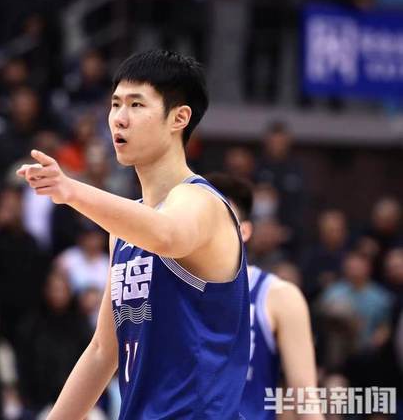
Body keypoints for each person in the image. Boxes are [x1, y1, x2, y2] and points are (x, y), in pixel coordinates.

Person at [17, 50, 249, 419]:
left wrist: (71, 190)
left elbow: (167, 235)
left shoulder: (201, 201)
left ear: (179, 118)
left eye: (136, 104)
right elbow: (102, 352)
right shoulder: (124, 233)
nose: (119, 118)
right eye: (115, 104)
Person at [205, 173, 322, 420]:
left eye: (220, 220)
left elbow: (305, 397)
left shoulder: (279, 296)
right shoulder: (167, 291)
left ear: (244, 231)